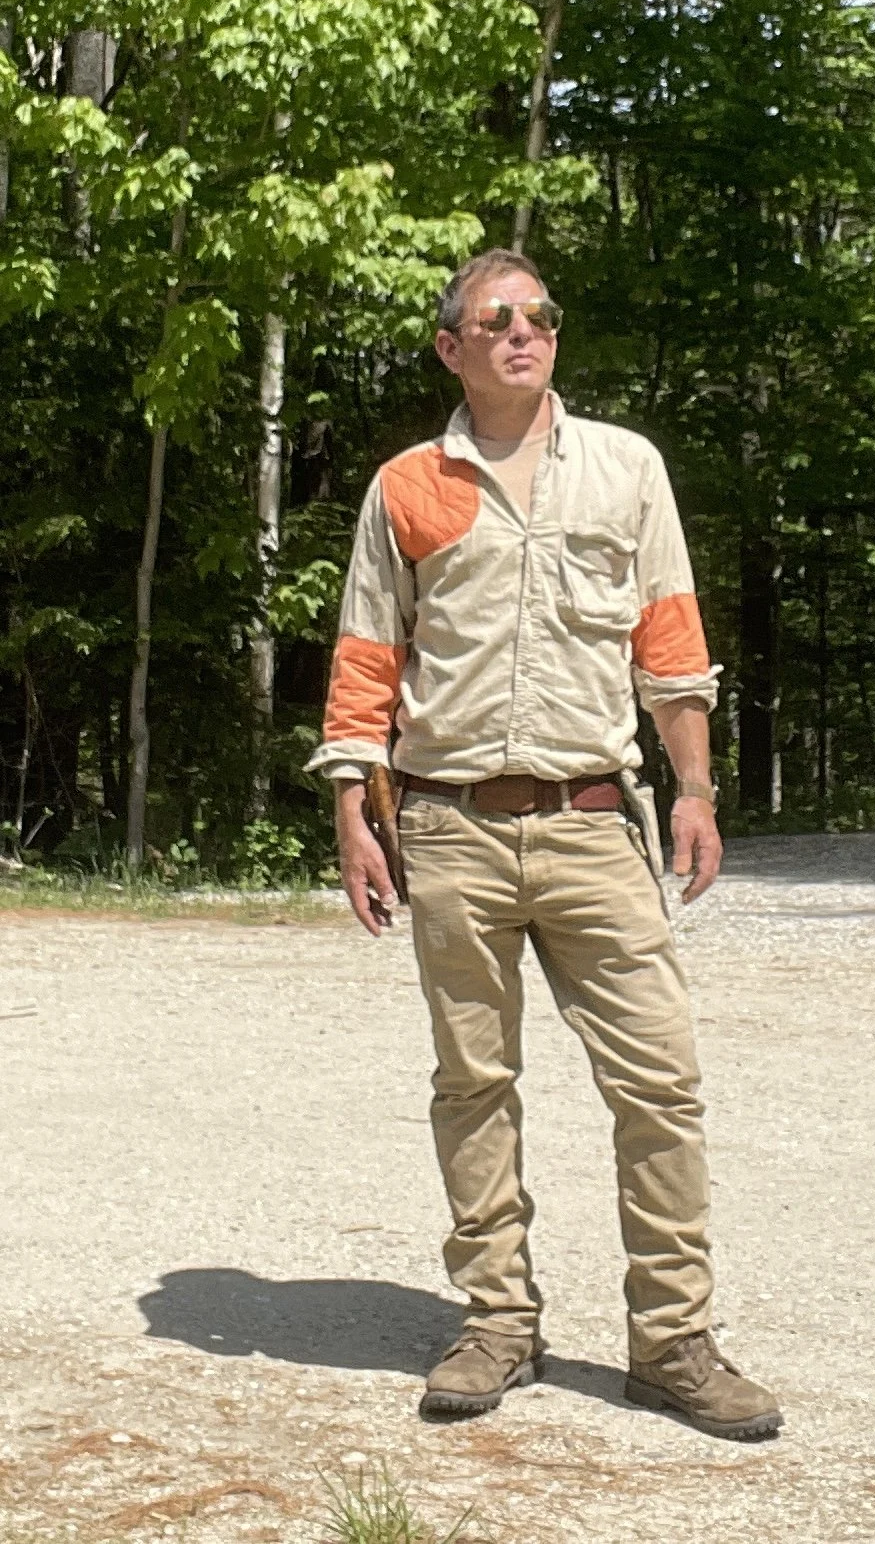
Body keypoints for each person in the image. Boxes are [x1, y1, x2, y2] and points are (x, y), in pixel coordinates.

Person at [308, 247, 780, 1440]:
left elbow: (670, 641)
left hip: (589, 826)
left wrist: (694, 788)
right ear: (450, 345)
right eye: (497, 318)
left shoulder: (626, 471)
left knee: (660, 1082)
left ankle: (672, 1340)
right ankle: (497, 1321)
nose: (524, 333)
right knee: (474, 1083)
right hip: (450, 829)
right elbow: (368, 658)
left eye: (542, 317)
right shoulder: (408, 486)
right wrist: (355, 811)